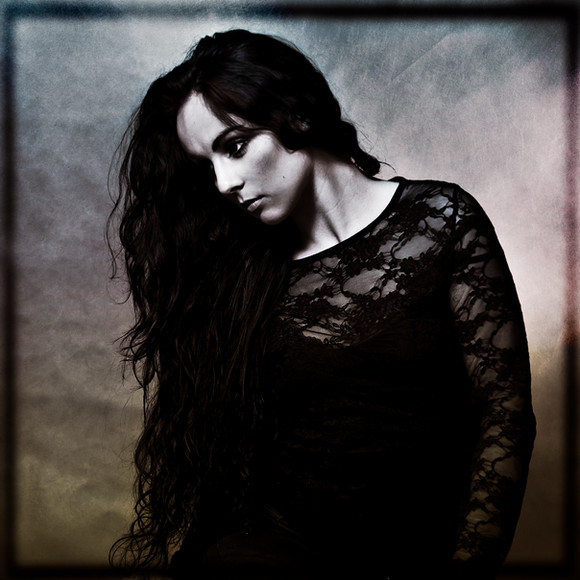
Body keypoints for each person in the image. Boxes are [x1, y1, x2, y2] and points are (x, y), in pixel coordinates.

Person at [109, 29, 536, 580]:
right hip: (270, 551)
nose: (224, 183)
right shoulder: (241, 274)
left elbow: (504, 412)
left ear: (297, 115)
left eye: (234, 146)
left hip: (414, 553)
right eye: (206, 165)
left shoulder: (441, 219)